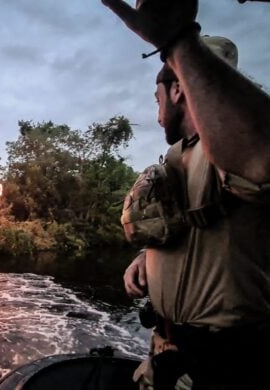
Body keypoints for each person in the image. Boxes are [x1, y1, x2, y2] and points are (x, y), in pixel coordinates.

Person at [102, 0, 270, 389]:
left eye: (156, 96)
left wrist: (178, 43)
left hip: (224, 365)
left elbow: (261, 159)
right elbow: (198, 228)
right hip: (166, 353)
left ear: (177, 89)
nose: (156, 108)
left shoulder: (232, 148)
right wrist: (148, 257)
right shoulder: (181, 154)